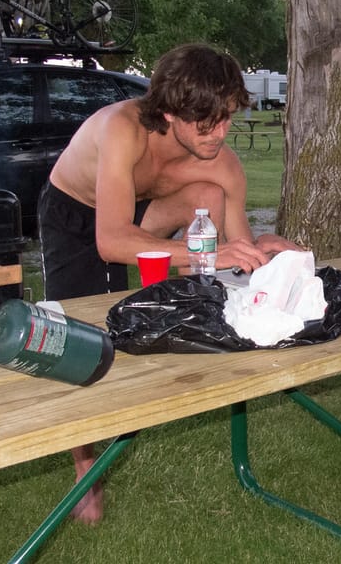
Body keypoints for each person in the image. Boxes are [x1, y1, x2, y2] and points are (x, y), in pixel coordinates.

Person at [38, 43, 300, 523]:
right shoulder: (121, 129)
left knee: (208, 194)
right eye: (206, 121)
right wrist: (209, 251)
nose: (219, 133)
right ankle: (84, 462)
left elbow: (238, 248)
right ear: (167, 110)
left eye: (226, 118)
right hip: (76, 215)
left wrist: (267, 252)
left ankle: (181, 291)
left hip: (140, 211)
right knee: (79, 335)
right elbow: (111, 241)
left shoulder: (222, 163)